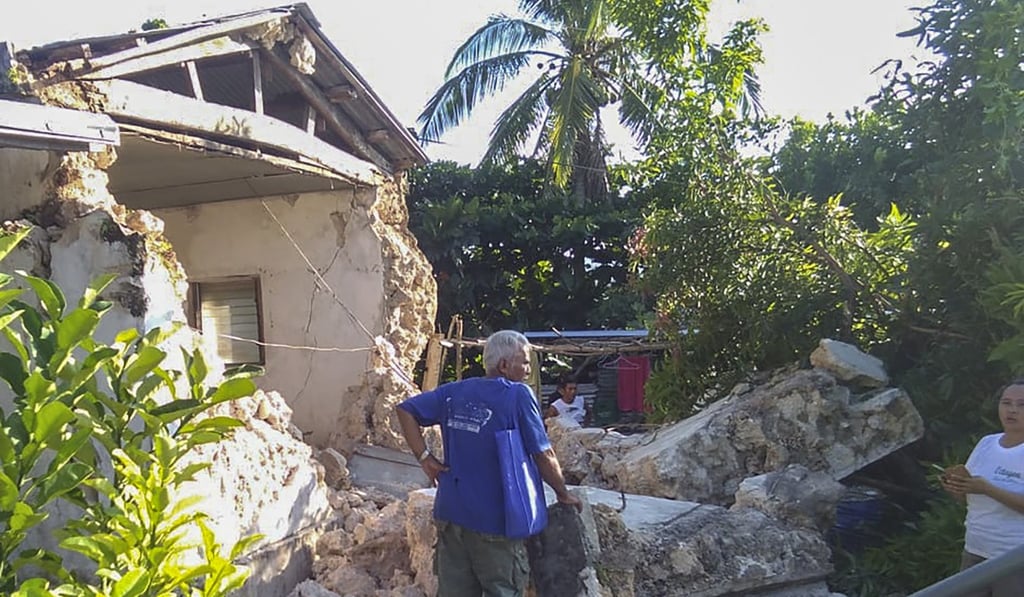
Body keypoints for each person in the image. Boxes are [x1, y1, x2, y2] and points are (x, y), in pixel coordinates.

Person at [395, 330, 582, 597]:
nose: (528, 369)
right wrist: (563, 493)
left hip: (452, 514)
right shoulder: (518, 394)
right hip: (496, 520)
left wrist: (425, 458)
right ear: (504, 365)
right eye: (525, 361)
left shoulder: (454, 391)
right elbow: (543, 453)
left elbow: (405, 409)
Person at [941, 379, 1024, 596]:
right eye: (1006, 403)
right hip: (975, 550)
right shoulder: (987, 443)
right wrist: (957, 487)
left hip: (1013, 559)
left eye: (1022, 405)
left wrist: (988, 489)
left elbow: (985, 489)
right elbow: (969, 495)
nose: (1012, 410)